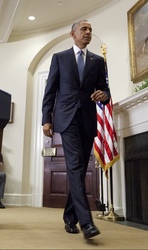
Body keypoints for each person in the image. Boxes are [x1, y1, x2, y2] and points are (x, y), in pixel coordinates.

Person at [42, 20, 111, 239]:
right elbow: (50, 91)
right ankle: (86, 222)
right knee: (74, 165)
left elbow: (105, 89)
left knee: (80, 170)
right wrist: (46, 119)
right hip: (66, 118)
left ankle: (70, 217)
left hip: (88, 119)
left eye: (91, 29)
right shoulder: (59, 58)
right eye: (84, 29)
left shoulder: (98, 61)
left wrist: (103, 95)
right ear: (73, 34)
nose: (88, 32)